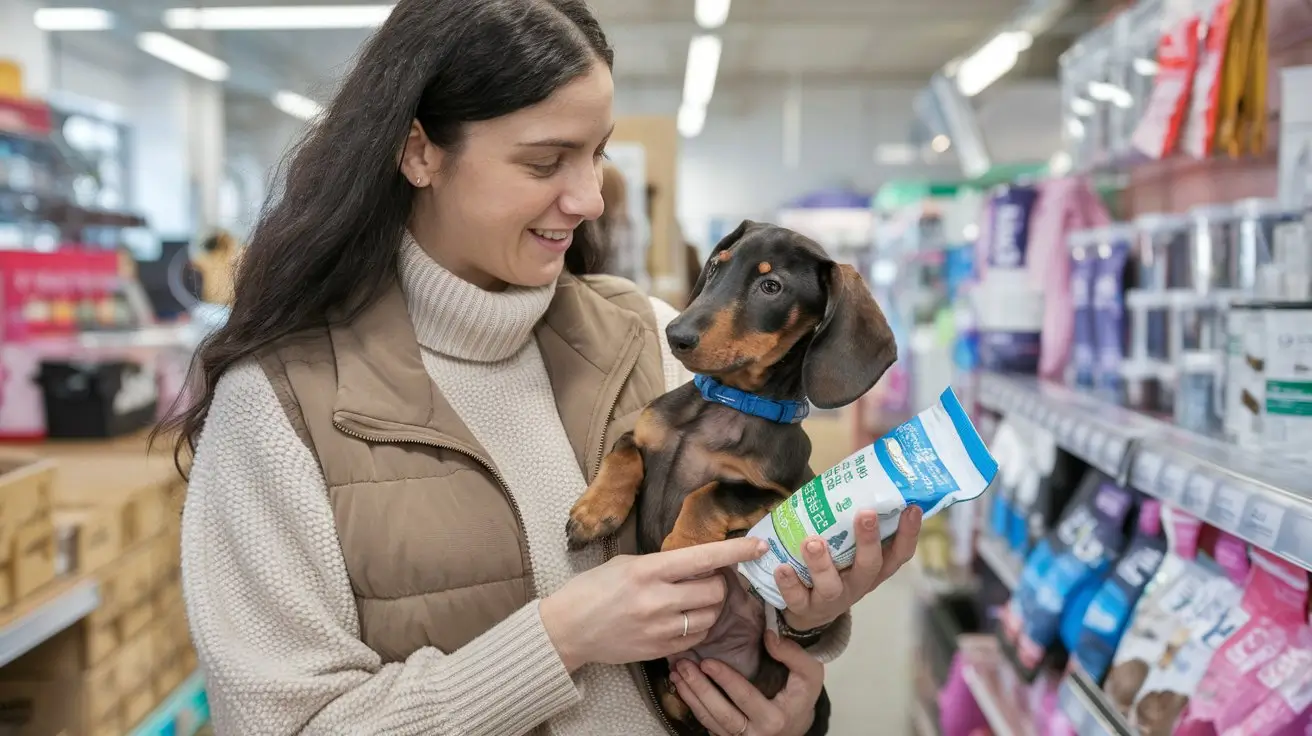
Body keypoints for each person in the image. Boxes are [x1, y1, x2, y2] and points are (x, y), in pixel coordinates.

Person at [162, 1, 922, 734]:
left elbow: (746, 587)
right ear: (420, 151)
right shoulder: (276, 407)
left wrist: (803, 635)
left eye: (595, 153)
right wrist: (560, 637)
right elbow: (281, 723)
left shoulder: (655, 340)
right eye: (545, 161)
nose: (590, 198)